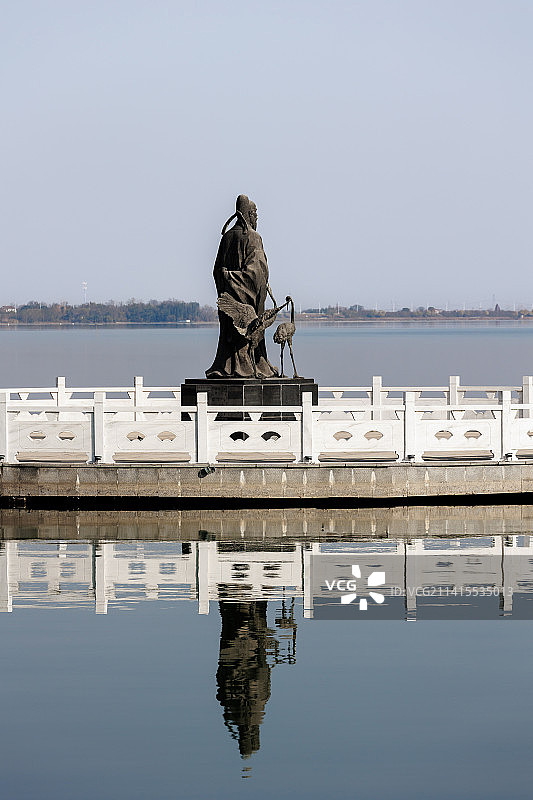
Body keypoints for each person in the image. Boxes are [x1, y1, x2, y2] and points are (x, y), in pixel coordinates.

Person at [206, 195, 278, 378]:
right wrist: (235, 278)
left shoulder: (227, 237)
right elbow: (256, 273)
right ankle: (253, 366)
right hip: (247, 305)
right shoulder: (253, 237)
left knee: (231, 334)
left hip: (229, 301)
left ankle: (227, 366)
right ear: (248, 215)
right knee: (249, 333)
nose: (256, 220)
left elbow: (216, 271)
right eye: (254, 215)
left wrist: (226, 281)